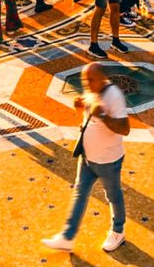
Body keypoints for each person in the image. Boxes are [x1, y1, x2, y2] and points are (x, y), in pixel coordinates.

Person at [43, 58, 129, 253]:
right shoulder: (92, 91)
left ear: (102, 79)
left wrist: (105, 117)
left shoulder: (114, 96)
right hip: (88, 158)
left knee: (113, 196)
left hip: (108, 160)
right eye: (84, 81)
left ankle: (118, 231)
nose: (86, 85)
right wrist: (81, 108)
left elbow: (125, 129)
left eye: (90, 81)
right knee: (80, 193)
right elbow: (90, 121)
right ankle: (67, 237)